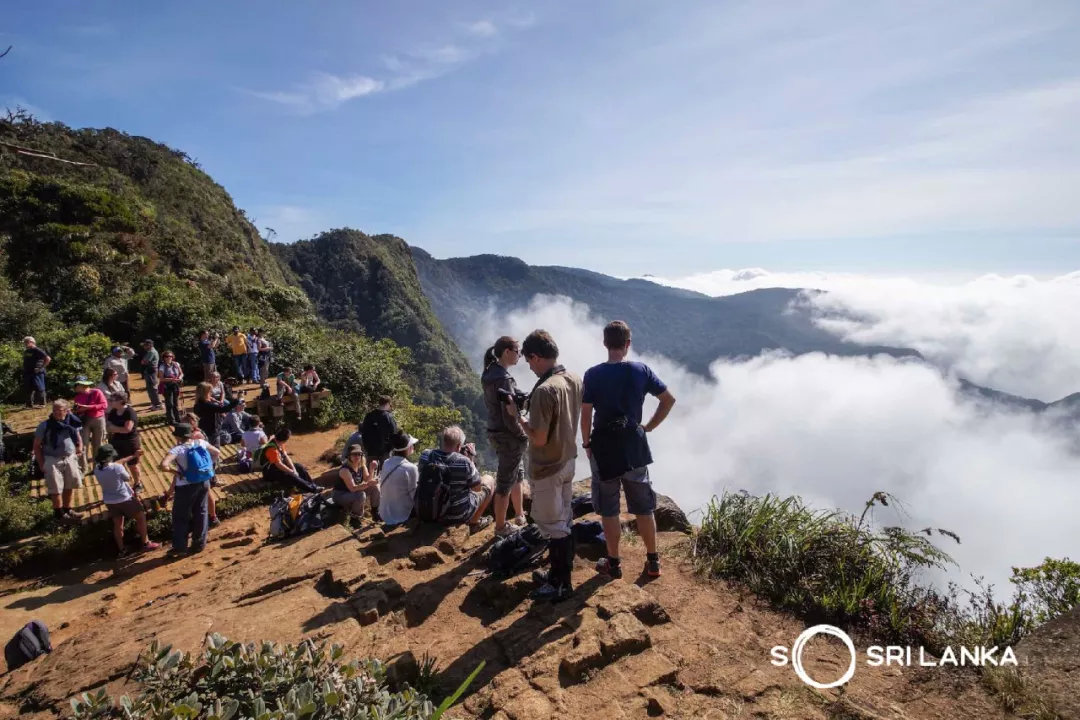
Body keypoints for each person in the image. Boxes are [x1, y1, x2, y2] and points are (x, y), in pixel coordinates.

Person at [581, 321, 676, 580]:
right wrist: (649, 427)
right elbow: (668, 400)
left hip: (604, 447)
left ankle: (614, 563)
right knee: (643, 507)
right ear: (628, 344)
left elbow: (586, 413)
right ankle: (653, 562)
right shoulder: (641, 370)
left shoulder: (593, 374)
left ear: (605, 343)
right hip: (634, 445)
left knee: (609, 509)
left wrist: (586, 444)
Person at [505, 330, 583, 602]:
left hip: (548, 466)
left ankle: (561, 584)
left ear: (536, 357)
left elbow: (538, 437)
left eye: (529, 361)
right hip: (568, 461)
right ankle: (556, 575)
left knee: (554, 526)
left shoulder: (546, 390)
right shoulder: (572, 378)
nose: (529, 366)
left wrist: (518, 418)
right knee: (564, 521)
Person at [482, 336, 529, 537]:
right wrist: (522, 433)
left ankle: (519, 514)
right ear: (507, 352)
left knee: (516, 473)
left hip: (495, 431)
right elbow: (508, 415)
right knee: (504, 481)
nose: (520, 355)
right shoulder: (503, 378)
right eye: (517, 351)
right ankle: (501, 527)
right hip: (508, 434)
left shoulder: (490, 373)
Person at [418, 425, 495, 532]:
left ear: (443, 441)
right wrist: (471, 459)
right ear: (459, 446)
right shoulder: (464, 462)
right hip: (456, 515)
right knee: (489, 480)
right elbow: (477, 489)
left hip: (428, 510)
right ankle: (474, 523)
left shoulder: (426, 455)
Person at [160, 423, 221, 554]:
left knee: (181, 516)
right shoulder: (201, 442)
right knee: (201, 512)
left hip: (185, 486)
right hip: (203, 482)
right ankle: (199, 545)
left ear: (177, 436)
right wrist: (209, 466)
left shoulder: (177, 449)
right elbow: (217, 452)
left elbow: (163, 465)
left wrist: (175, 472)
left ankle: (180, 547)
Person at [93, 444, 159, 555]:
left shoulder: (97, 468)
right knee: (141, 517)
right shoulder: (117, 468)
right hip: (124, 498)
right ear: (110, 457)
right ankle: (146, 543)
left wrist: (133, 456)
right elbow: (127, 477)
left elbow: (116, 463)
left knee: (118, 525)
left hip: (109, 501)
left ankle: (122, 550)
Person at [32, 400, 84, 521]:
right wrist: (41, 464)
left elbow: (78, 436)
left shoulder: (71, 422)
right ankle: (59, 515)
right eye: (54, 410)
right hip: (52, 459)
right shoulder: (44, 426)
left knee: (69, 485)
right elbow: (36, 446)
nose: (55, 412)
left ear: (66, 411)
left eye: (59, 410)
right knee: (55, 489)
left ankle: (68, 510)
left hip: (70, 457)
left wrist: (79, 448)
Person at [378, 430, 420, 527]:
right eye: (412, 445)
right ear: (408, 448)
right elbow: (415, 496)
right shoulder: (411, 468)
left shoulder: (386, 463)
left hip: (384, 514)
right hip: (402, 516)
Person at [106, 392, 144, 492]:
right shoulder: (113, 411)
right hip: (116, 441)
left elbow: (128, 429)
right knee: (118, 464)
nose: (110, 401)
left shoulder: (129, 412)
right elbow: (108, 427)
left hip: (130, 441)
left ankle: (138, 483)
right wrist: (119, 429)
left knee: (132, 465)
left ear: (121, 401)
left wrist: (114, 428)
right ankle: (125, 483)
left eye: (112, 400)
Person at [259, 427, 319, 492]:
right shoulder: (271, 449)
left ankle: (313, 485)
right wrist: (291, 472)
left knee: (299, 467)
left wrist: (294, 469)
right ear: (285, 440)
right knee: (290, 476)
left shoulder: (280, 444)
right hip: (269, 473)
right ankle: (312, 489)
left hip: (277, 468)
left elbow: (286, 457)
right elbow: (278, 464)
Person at [333, 444, 380, 524]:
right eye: (354, 454)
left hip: (353, 492)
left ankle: (375, 512)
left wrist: (371, 469)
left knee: (375, 487)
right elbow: (352, 488)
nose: (357, 456)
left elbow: (367, 479)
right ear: (349, 456)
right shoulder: (345, 470)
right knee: (360, 495)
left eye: (359, 454)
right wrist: (368, 484)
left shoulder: (361, 465)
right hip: (341, 495)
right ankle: (355, 519)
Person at [72, 377, 108, 474]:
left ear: (81, 385)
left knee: (98, 444)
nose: (74, 387)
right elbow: (76, 411)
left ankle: (97, 468)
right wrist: (78, 410)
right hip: (84, 421)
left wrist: (87, 408)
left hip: (98, 420)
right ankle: (83, 469)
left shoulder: (97, 392)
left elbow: (104, 405)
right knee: (83, 445)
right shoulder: (78, 397)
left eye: (76, 385)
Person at [193, 382, 240, 446]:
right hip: (212, 432)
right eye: (209, 392)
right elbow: (224, 409)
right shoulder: (208, 405)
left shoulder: (197, 404)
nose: (211, 393)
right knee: (215, 451)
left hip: (203, 429)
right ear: (205, 393)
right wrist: (237, 399)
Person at [361, 396, 399, 470]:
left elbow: (364, 432)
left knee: (370, 472)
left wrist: (367, 447)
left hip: (371, 450)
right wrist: (391, 448)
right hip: (385, 451)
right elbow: (394, 433)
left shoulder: (369, 416)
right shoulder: (389, 417)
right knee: (384, 472)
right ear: (388, 404)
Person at [157, 350, 184, 426]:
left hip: (175, 385)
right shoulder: (162, 366)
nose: (169, 358)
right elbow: (161, 379)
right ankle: (171, 420)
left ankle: (177, 418)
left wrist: (180, 377)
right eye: (167, 356)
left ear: (172, 357)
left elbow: (181, 373)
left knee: (175, 403)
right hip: (167, 386)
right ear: (164, 358)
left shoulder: (176, 364)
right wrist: (172, 379)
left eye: (170, 356)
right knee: (169, 404)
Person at [22, 336, 50, 408]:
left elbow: (48, 359)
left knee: (40, 388)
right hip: (28, 373)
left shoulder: (37, 350)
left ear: (32, 342)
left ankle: (42, 404)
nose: (25, 344)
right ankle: (29, 405)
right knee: (28, 388)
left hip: (37, 372)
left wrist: (41, 368)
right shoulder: (26, 351)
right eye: (24, 342)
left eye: (26, 342)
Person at [140, 340, 162, 411]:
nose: (144, 347)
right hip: (149, 370)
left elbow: (144, 362)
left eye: (145, 345)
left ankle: (158, 404)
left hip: (151, 371)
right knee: (150, 388)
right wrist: (143, 361)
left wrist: (144, 361)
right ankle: (154, 404)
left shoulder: (151, 352)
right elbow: (143, 362)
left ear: (150, 345)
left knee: (153, 388)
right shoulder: (149, 352)